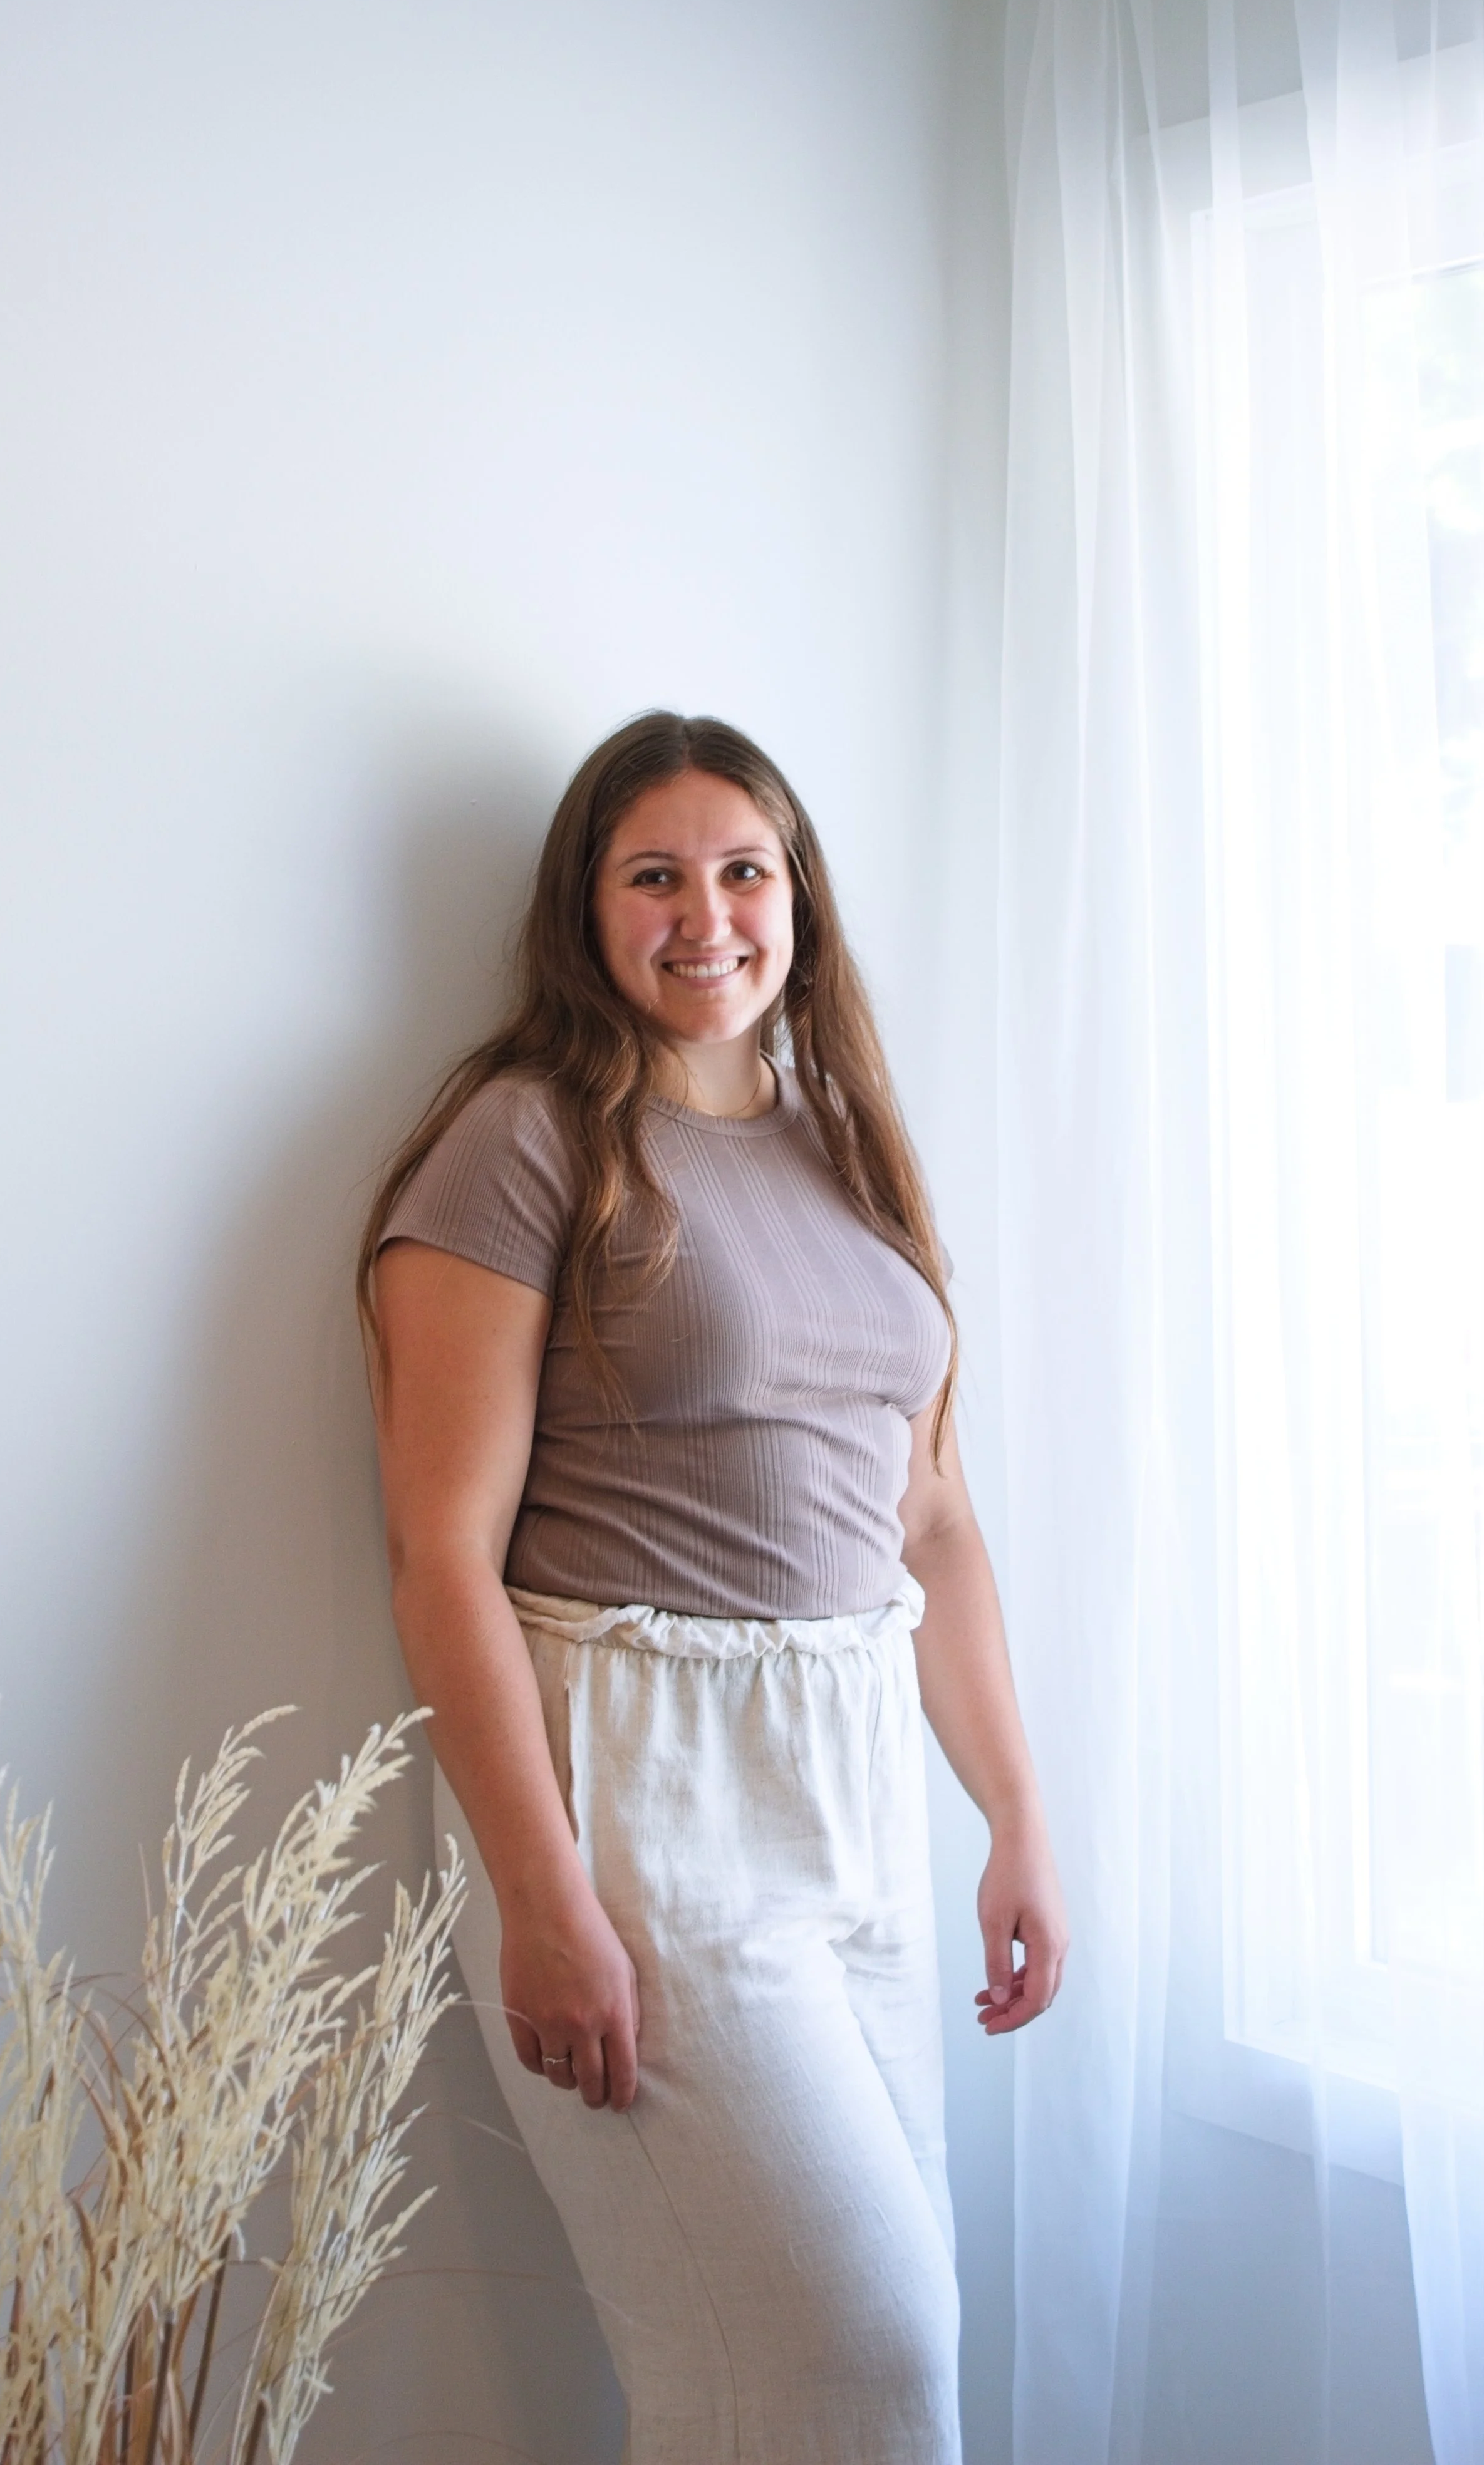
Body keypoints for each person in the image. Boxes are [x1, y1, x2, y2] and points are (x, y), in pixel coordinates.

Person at [359, 711, 1067, 2465]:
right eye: (653, 875)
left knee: (872, 2367)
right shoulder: (523, 1143)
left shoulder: (851, 1147)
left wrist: (1015, 1816)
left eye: (742, 871)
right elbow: (443, 1548)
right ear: (584, 912)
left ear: (798, 900)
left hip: (853, 1787)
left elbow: (933, 1524)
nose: (706, 916)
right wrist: (542, 1892)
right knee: (851, 2360)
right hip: (641, 1785)